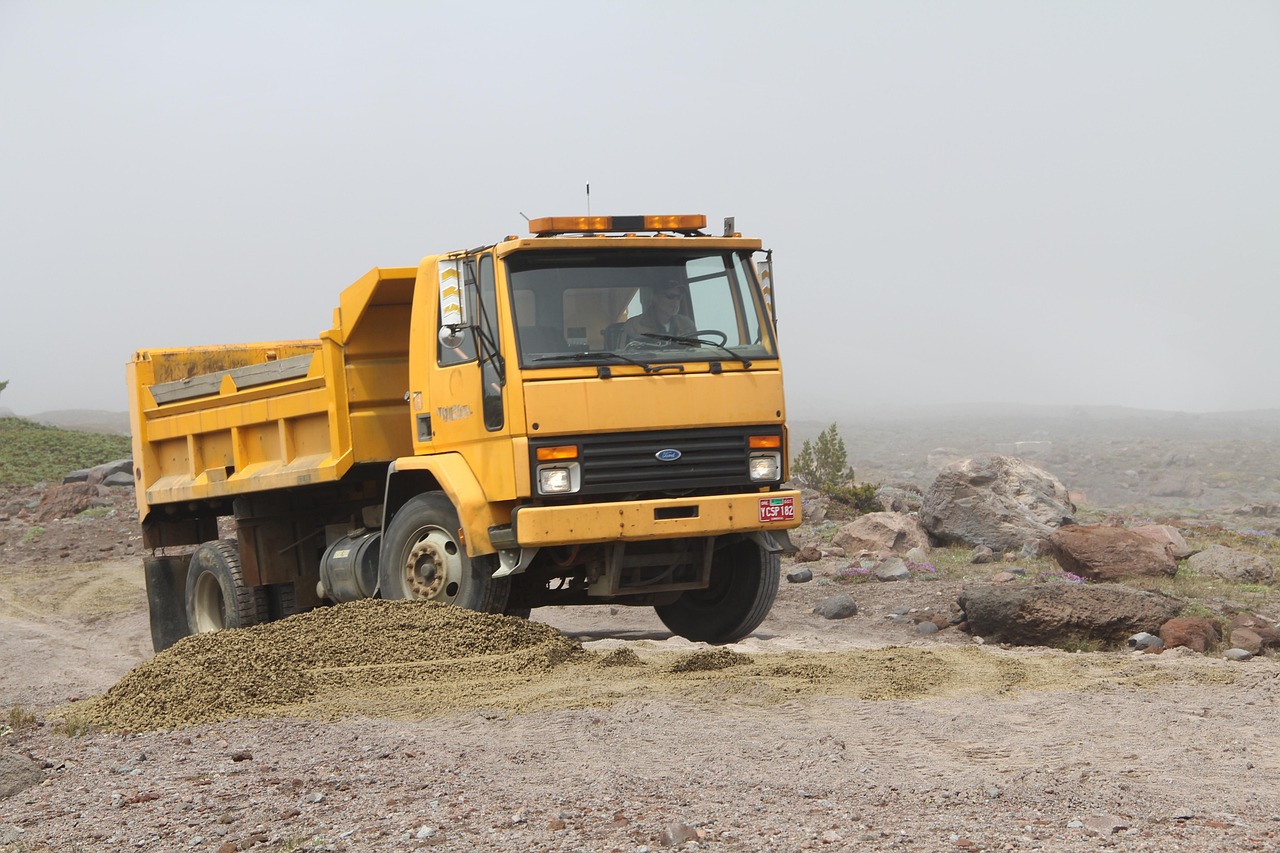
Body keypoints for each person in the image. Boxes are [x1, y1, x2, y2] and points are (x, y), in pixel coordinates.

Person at [622, 283, 696, 344]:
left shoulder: (687, 325)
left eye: (679, 297)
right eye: (670, 296)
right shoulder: (634, 325)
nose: (675, 301)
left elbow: (696, 354)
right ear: (655, 298)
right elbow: (624, 357)